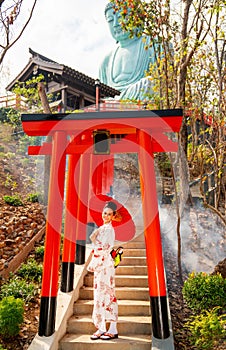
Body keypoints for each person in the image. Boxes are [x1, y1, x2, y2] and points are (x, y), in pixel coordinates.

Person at [99, 1, 159, 101]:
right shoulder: (106, 61)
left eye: (120, 17)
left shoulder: (151, 44)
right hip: (111, 104)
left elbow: (164, 80)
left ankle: (120, 103)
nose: (115, 24)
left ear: (135, 17)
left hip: (141, 99)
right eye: (110, 20)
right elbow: (100, 94)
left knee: (148, 83)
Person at [87, 201, 119, 340]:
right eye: (104, 213)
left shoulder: (109, 229)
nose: (106, 216)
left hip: (105, 265)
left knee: (108, 294)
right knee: (99, 295)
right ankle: (101, 327)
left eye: (109, 214)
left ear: (113, 216)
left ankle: (113, 328)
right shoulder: (102, 228)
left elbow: (105, 248)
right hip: (101, 266)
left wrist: (95, 243)